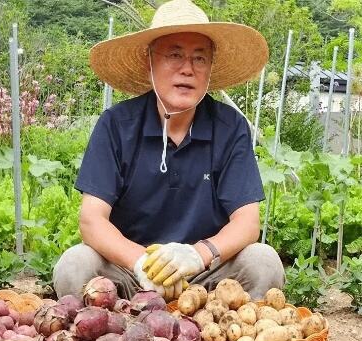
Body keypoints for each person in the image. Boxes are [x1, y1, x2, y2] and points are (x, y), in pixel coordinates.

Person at [53, 0, 284, 301]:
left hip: (205, 275)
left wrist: (197, 254)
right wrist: (142, 263)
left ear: (210, 69)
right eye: (175, 54)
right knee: (74, 265)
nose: (187, 68)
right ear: (149, 61)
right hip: (130, 272)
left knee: (263, 261)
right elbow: (91, 220)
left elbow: (248, 222)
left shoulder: (230, 128)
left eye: (199, 59)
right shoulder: (117, 125)